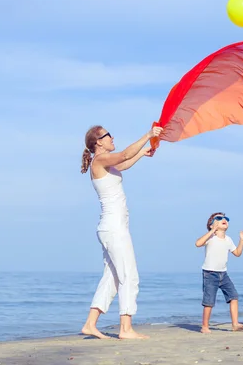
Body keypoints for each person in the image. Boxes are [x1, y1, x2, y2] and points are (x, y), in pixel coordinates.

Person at [80, 125, 163, 340]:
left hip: (112, 227)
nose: (112, 137)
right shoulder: (99, 160)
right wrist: (147, 135)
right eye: (108, 135)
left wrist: (143, 153)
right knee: (129, 275)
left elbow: (124, 163)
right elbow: (125, 154)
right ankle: (125, 329)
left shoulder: (105, 163)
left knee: (113, 277)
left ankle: (90, 324)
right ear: (98, 141)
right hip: (114, 227)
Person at [195, 212, 243, 333]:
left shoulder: (228, 239)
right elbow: (198, 243)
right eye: (219, 218)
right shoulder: (210, 237)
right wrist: (211, 231)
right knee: (209, 301)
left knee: (233, 296)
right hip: (210, 273)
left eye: (225, 218)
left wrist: (242, 240)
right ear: (212, 224)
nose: (224, 219)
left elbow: (237, 253)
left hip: (223, 274)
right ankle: (205, 326)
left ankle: (235, 324)